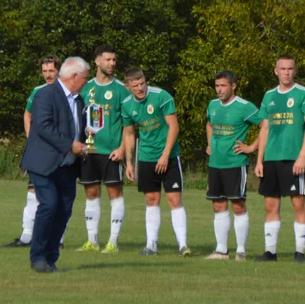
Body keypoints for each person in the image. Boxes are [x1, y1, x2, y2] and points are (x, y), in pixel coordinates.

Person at [19, 57, 89, 273]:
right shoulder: (45, 95)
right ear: (74, 76)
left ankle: (51, 257)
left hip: (67, 165)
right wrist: (71, 145)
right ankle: (37, 256)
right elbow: (44, 127)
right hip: (44, 163)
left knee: (64, 210)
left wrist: (86, 136)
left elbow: (75, 127)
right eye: (85, 78)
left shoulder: (79, 100)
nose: (86, 82)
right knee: (49, 205)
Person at [121, 68, 190, 256]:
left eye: (142, 83)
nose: (140, 88)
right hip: (146, 158)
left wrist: (165, 155)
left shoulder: (162, 96)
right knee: (151, 199)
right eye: (135, 85)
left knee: (174, 199)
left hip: (168, 156)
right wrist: (128, 162)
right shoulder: (126, 105)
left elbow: (174, 127)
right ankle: (151, 245)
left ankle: (183, 245)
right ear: (128, 87)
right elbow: (129, 133)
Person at [253, 55, 305, 262]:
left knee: (298, 204)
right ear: (275, 71)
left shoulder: (303, 94)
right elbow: (265, 128)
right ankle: (270, 252)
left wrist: (302, 156)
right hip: (271, 158)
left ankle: (300, 252)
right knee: (270, 205)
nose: (286, 72)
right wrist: (259, 160)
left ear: (295, 71)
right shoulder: (269, 96)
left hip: (293, 158)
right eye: (283, 68)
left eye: (290, 68)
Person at [205, 71, 261, 261]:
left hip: (235, 164)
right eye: (217, 86)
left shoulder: (245, 107)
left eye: (223, 85)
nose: (219, 90)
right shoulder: (213, 105)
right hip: (215, 164)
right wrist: (210, 143)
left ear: (233, 86)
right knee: (218, 204)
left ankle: (241, 251)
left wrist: (251, 147)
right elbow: (210, 125)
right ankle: (221, 251)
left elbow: (266, 125)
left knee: (238, 205)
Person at [76, 45, 127, 253]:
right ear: (97, 62)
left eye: (114, 60)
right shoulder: (85, 88)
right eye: (108, 60)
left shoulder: (121, 89)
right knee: (91, 193)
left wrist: (123, 148)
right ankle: (92, 241)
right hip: (89, 151)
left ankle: (113, 242)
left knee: (115, 193)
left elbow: (129, 124)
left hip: (112, 151)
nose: (112, 63)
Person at [6, 56, 61, 248]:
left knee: (58, 192)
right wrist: (31, 136)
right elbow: (27, 113)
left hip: (59, 151)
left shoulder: (66, 91)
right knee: (32, 190)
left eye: (51, 71)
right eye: (45, 71)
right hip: (39, 151)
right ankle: (26, 237)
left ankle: (57, 239)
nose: (48, 75)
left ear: (59, 71)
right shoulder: (37, 91)